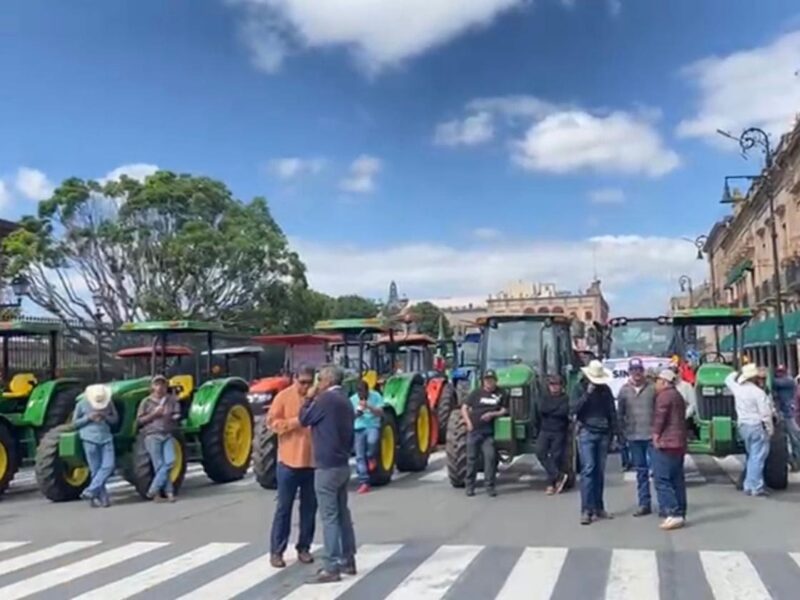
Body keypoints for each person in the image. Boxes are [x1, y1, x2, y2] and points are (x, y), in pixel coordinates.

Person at [299, 365, 356, 584]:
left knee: (329, 517)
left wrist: (308, 398)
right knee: (343, 514)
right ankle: (348, 559)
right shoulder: (345, 400)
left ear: (327, 380)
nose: (317, 383)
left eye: (319, 379)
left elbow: (304, 419)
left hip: (326, 465)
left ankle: (331, 565)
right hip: (342, 463)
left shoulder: (325, 400)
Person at [267, 366, 317, 568]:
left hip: (312, 462)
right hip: (288, 462)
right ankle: (277, 551)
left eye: (308, 382)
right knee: (283, 509)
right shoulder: (283, 397)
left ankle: (304, 547)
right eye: (302, 382)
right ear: (295, 379)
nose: (305, 386)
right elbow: (272, 423)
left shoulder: (317, 397)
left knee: (309, 509)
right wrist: (296, 422)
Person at [573, 359, 618, 525]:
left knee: (599, 472)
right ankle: (586, 509)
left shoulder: (605, 390)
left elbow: (611, 412)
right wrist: (587, 395)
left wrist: (615, 434)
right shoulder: (579, 388)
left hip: (603, 433)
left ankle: (598, 507)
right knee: (588, 469)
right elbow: (573, 409)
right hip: (586, 432)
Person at [725, 363, 773, 497]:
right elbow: (765, 413)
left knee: (752, 455)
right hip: (756, 425)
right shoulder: (758, 393)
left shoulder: (738, 389)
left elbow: (728, 378)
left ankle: (748, 485)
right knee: (758, 457)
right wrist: (769, 429)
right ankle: (755, 487)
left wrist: (739, 371)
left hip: (743, 425)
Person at [617, 358, 656, 516]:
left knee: (658, 471)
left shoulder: (653, 389)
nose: (637, 373)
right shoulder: (624, 390)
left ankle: (665, 504)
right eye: (634, 370)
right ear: (630, 372)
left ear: (643, 371)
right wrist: (621, 433)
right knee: (641, 472)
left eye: (639, 370)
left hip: (652, 435)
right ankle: (644, 504)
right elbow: (620, 414)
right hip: (633, 436)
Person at [135, 375, 182, 503]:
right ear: (152, 387)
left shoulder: (171, 400)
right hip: (152, 435)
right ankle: (168, 493)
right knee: (159, 465)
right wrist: (154, 414)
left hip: (167, 434)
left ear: (166, 386)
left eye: (162, 384)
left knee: (170, 462)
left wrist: (175, 417)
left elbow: (177, 413)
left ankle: (153, 490)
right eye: (157, 384)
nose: (160, 387)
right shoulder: (146, 402)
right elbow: (139, 421)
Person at [462, 370, 508, 498]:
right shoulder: (476, 393)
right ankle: (470, 486)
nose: (489, 382)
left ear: (495, 380)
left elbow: (504, 410)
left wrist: (492, 414)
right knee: (471, 459)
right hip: (474, 431)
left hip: (488, 433)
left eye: (491, 379)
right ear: (483, 381)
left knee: (490, 457)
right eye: (487, 380)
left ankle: (490, 486)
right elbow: (464, 407)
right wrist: (468, 423)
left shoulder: (500, 393)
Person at [652, 370, 688, 530]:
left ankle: (673, 512)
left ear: (665, 382)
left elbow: (660, 418)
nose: (656, 384)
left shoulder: (664, 396)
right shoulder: (677, 395)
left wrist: (656, 435)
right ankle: (680, 511)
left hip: (667, 442)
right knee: (677, 479)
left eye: (658, 381)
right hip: (679, 442)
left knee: (662, 479)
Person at [74, 384, 118, 508]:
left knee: (108, 466)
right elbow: (75, 423)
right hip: (89, 438)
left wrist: (105, 416)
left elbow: (115, 419)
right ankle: (102, 498)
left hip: (106, 437)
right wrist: (88, 418)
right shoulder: (81, 404)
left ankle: (91, 491)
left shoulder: (108, 403)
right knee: (96, 469)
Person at [534, 374, 570, 495]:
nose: (554, 387)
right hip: (545, 430)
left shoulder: (565, 398)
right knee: (540, 452)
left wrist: (550, 411)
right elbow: (541, 409)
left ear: (561, 386)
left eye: (557, 385)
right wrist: (554, 410)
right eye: (552, 385)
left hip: (559, 430)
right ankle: (559, 476)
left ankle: (551, 484)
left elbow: (563, 412)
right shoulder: (544, 397)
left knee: (556, 457)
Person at [350, 380, 384, 495]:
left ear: (367, 391)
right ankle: (364, 482)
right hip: (358, 427)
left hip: (372, 425)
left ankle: (371, 456)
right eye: (359, 394)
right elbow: (350, 416)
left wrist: (369, 407)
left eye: (363, 393)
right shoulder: (353, 400)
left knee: (372, 441)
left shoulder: (376, 396)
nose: (361, 396)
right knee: (359, 456)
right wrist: (357, 414)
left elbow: (380, 412)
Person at [773, 366, 800, 470]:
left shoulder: (788, 381)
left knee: (795, 439)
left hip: (790, 415)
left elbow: (776, 383)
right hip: (784, 413)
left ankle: (796, 461)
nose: (780, 374)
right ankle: (793, 461)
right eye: (778, 372)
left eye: (781, 372)